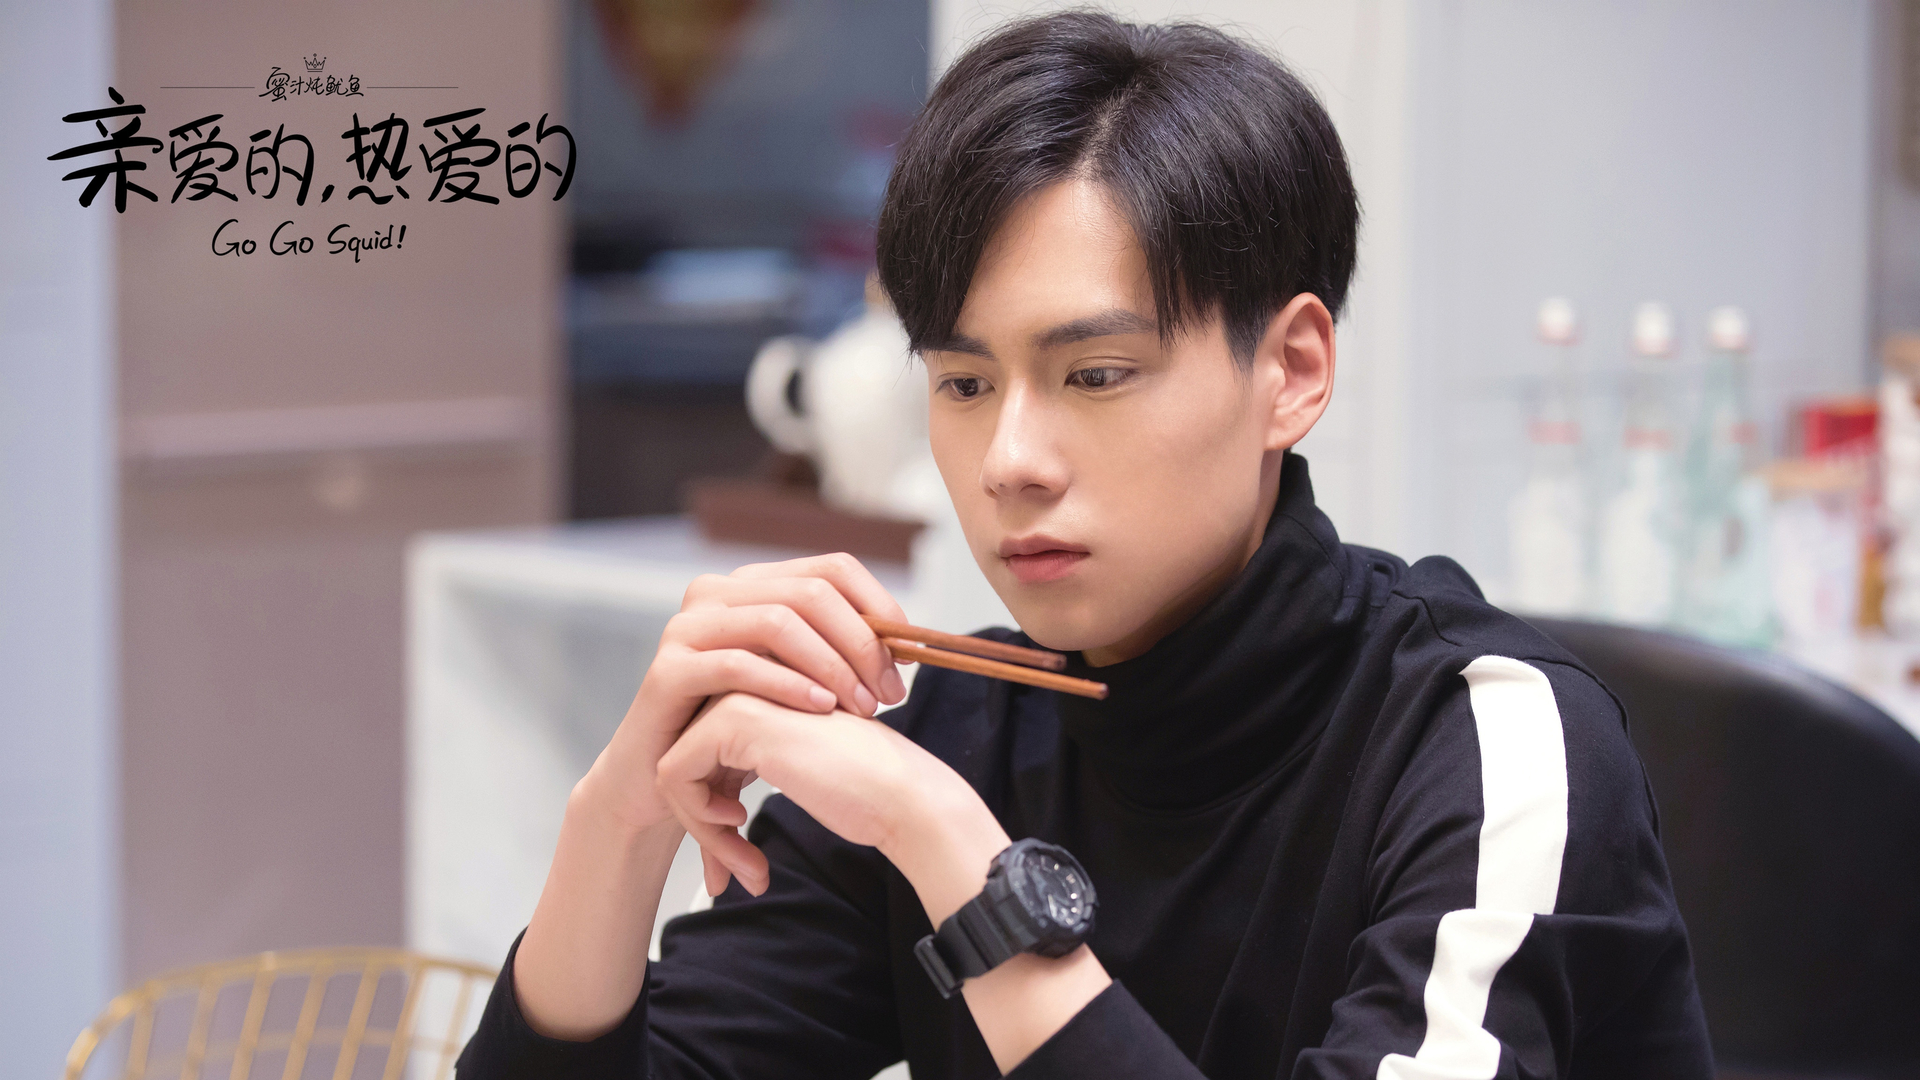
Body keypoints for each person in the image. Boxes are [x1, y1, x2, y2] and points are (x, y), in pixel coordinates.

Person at [457, 11, 1712, 1079]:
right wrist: (619, 812)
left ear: (1291, 370)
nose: (1010, 459)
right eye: (962, 384)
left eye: (1096, 374)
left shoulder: (1489, 743)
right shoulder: (955, 736)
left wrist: (967, 871)